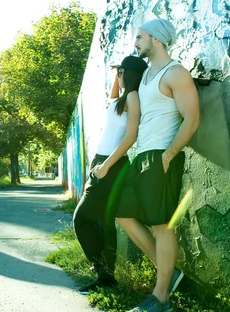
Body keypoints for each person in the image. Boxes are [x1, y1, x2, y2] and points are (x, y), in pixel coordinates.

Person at [114, 19, 200, 312]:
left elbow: (192, 118)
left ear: (156, 39)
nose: (135, 42)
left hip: (161, 156)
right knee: (123, 215)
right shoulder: (148, 74)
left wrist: (168, 156)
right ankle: (168, 273)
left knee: (163, 226)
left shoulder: (175, 73)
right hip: (142, 158)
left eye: (140, 37)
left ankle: (161, 297)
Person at [72, 55, 147, 294]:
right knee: (104, 222)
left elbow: (130, 136)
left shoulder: (133, 97)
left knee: (82, 218)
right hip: (103, 160)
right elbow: (112, 98)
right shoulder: (122, 99)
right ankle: (106, 275)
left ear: (130, 74)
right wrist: (118, 72)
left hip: (111, 164)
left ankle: (101, 267)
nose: (118, 76)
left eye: (121, 72)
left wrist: (105, 167)